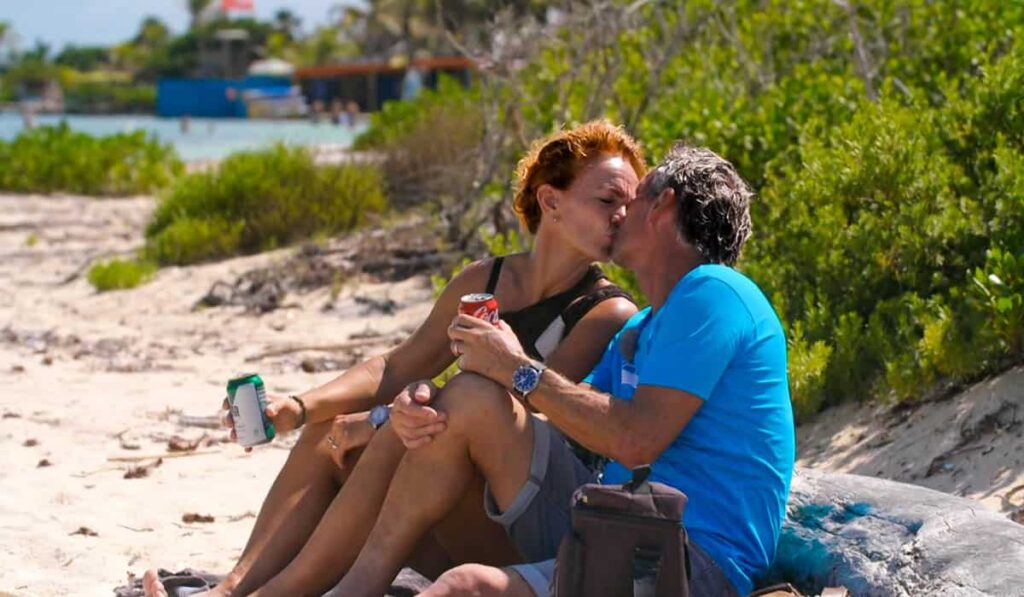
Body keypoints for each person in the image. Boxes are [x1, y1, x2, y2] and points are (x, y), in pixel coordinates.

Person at [142, 120, 646, 597]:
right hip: (443, 504)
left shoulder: (606, 310)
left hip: (515, 525)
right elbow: (397, 367)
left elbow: (516, 410)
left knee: (403, 424)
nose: (622, 215)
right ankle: (232, 586)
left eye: (630, 204)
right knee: (329, 431)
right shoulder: (483, 281)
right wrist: (296, 407)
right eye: (608, 200)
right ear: (550, 201)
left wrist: (383, 419)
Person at [333, 144, 796, 597]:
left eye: (631, 201)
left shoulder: (715, 291)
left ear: (663, 205)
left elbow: (636, 440)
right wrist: (408, 415)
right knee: (468, 401)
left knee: (464, 586)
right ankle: (351, 587)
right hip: (608, 525)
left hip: (683, 558)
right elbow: (567, 424)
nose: (618, 215)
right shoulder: (645, 323)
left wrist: (516, 366)